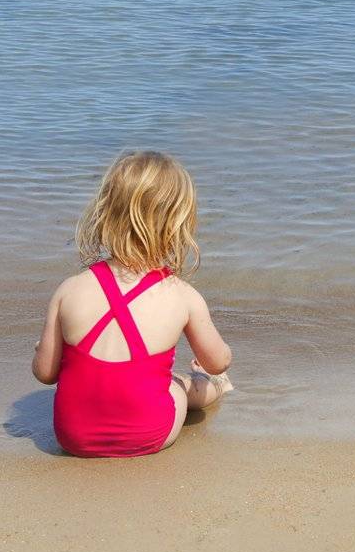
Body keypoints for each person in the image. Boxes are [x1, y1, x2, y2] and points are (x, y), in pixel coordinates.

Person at [33, 151, 233, 457]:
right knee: (180, 384)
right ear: (178, 224)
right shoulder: (182, 295)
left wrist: (44, 352)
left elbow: (45, 373)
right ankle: (217, 387)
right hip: (150, 432)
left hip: (73, 437)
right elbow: (218, 360)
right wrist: (215, 372)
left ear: (106, 212)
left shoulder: (69, 290)